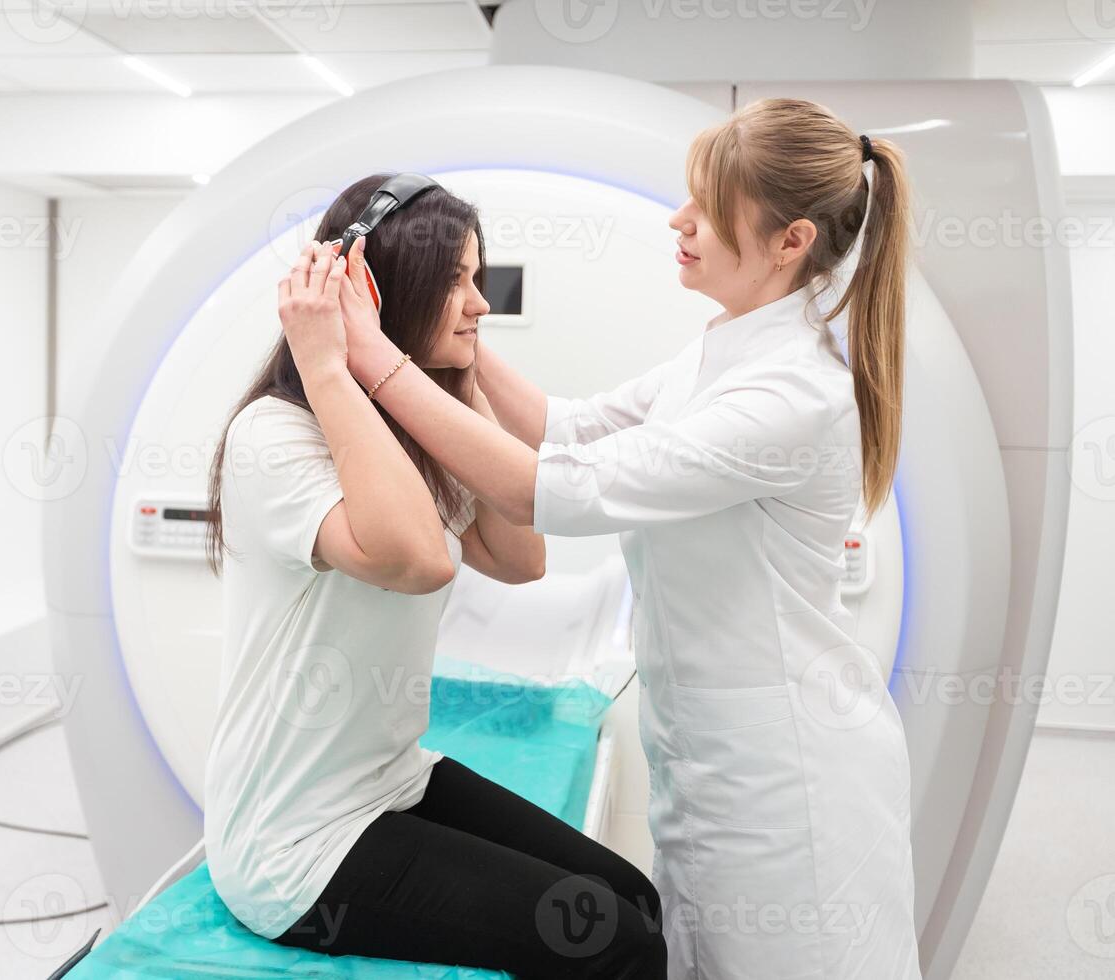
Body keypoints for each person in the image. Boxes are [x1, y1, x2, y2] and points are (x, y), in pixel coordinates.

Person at [285, 101, 922, 979]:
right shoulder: (722, 351)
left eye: (706, 206)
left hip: (789, 783)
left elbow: (549, 488)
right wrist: (456, 325)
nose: (678, 220)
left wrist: (364, 360)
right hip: (711, 756)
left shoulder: (793, 396)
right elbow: (565, 427)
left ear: (791, 241)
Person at [203, 174, 667, 979]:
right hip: (297, 847)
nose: (480, 304)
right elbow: (414, 560)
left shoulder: (405, 435)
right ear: (374, 293)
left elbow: (523, 559)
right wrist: (331, 366)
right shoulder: (273, 438)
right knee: (617, 944)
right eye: (456, 281)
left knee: (632, 897)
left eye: (476, 280)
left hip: (393, 783)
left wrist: (457, 377)